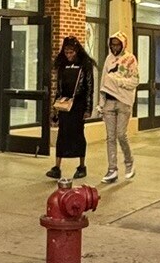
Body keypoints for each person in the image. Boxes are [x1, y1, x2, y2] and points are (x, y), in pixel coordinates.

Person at [46, 36, 94, 181]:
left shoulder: (85, 65)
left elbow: (89, 88)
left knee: (78, 134)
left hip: (78, 104)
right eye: (66, 53)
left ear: (77, 51)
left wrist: (88, 108)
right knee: (62, 134)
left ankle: (81, 165)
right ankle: (57, 167)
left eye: (71, 52)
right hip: (64, 103)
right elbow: (59, 88)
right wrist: (55, 109)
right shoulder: (62, 65)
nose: (69, 55)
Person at [98, 33, 139, 184]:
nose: (115, 47)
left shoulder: (130, 59)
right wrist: (101, 102)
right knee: (110, 137)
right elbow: (103, 80)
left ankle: (129, 162)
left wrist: (118, 81)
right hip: (109, 102)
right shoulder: (108, 59)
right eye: (112, 44)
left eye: (117, 44)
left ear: (123, 44)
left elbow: (134, 81)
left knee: (121, 135)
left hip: (123, 102)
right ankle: (112, 169)